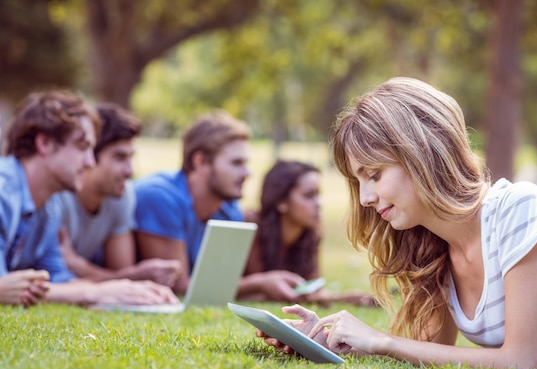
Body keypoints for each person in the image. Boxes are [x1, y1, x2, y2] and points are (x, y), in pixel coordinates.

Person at [259, 77, 537, 369]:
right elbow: (427, 352)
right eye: (359, 183)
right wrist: (321, 338)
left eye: (374, 174)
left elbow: (520, 360)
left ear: (421, 154)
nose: (366, 198)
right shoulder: (431, 246)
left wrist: (381, 339)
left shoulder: (518, 208)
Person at [0, 90, 179, 306]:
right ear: (44, 143)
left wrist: (122, 288)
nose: (89, 163)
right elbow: (6, 286)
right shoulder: (4, 191)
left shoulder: (50, 207)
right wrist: (93, 293)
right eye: (82, 147)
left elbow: (57, 279)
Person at [134, 111, 308, 300]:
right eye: (236, 163)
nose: (247, 173)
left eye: (245, 163)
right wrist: (260, 283)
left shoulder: (229, 209)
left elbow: (217, 283)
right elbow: (180, 285)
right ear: (200, 162)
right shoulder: (161, 197)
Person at [56, 102, 182, 288]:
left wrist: (81, 266)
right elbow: (58, 274)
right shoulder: (59, 195)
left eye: (131, 158)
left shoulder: (122, 195)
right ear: (90, 155)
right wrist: (134, 276)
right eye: (120, 158)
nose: (130, 170)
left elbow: (122, 272)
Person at [242, 160, 375, 306]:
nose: (319, 204)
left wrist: (348, 298)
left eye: (318, 195)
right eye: (308, 195)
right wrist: (261, 283)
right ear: (281, 202)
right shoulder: (250, 226)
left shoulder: (310, 234)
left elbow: (312, 291)